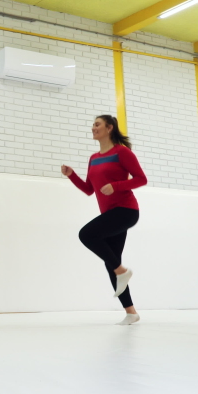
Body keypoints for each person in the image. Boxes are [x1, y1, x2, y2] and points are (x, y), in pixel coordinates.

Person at [61, 114, 148, 325]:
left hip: (126, 211)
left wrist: (116, 186)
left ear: (109, 128)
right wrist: (72, 175)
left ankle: (122, 271)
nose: (93, 127)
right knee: (111, 261)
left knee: (86, 234)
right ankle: (131, 313)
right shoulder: (93, 158)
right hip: (109, 214)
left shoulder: (121, 152)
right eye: (93, 124)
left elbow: (141, 179)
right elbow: (89, 189)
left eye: (97, 124)